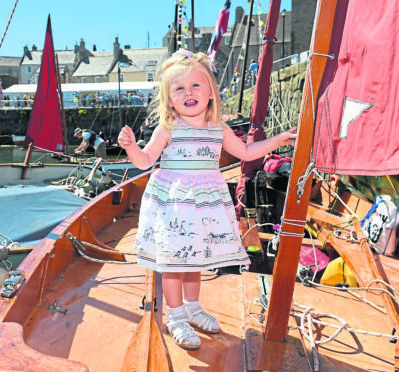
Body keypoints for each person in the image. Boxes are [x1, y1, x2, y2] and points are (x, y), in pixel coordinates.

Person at [118, 50, 297, 350]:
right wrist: (132, 148)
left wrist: (279, 139)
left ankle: (193, 307)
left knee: (195, 261)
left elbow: (247, 153)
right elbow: (146, 160)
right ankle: (176, 317)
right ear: (170, 98)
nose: (188, 92)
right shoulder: (168, 128)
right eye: (179, 88)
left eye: (196, 86)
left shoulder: (219, 129)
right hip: (174, 206)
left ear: (211, 92)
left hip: (203, 206)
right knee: (175, 264)